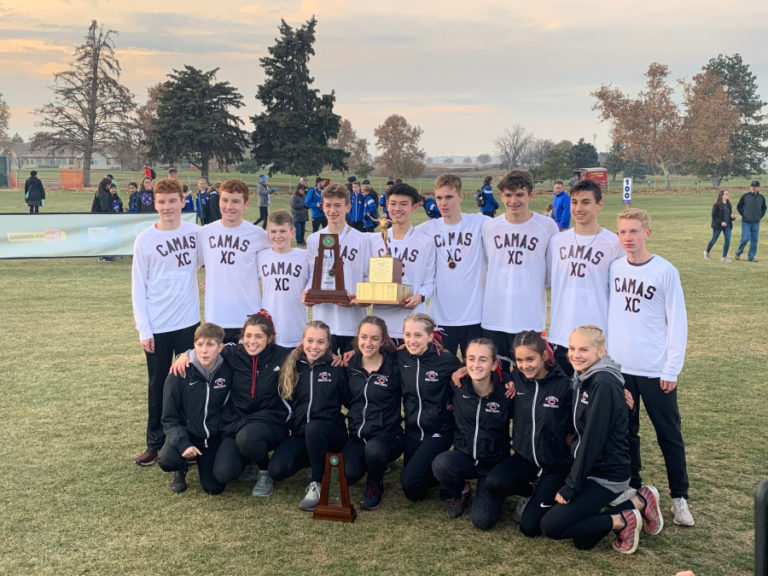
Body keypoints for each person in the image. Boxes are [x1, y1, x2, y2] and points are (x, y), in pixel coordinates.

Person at [539, 325, 663, 554]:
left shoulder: (603, 382)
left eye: (584, 349)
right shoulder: (583, 375)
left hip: (606, 474)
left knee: (552, 526)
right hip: (588, 467)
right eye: (572, 348)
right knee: (583, 541)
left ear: (601, 352)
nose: (576, 354)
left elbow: (593, 441)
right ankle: (638, 503)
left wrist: (570, 488)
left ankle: (624, 519)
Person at [608, 208, 694, 526]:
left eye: (634, 231)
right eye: (622, 232)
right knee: (627, 432)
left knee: (668, 434)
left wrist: (672, 367)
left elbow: (678, 322)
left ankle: (679, 498)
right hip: (621, 369)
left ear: (648, 232)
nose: (628, 238)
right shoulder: (615, 268)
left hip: (656, 369)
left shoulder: (664, 271)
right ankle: (632, 487)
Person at [172, 312, 291, 497]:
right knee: (224, 473)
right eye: (248, 335)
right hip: (236, 422)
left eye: (259, 336)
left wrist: (335, 357)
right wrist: (185, 355)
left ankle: (264, 471)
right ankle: (247, 460)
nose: (252, 341)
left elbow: (307, 353)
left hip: (269, 421)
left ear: (270, 338)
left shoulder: (283, 356)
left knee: (248, 438)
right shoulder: (232, 352)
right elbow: (209, 348)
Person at [131, 178, 201, 466]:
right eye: (161, 202)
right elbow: (138, 286)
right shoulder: (145, 239)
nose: (167, 207)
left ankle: (189, 441)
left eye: (172, 201)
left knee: (190, 384)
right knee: (158, 385)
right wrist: (143, 328)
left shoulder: (197, 233)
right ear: (154, 203)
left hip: (189, 322)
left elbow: (220, 261)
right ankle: (155, 442)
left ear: (183, 202)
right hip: (158, 326)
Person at [479, 331, 572, 534]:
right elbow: (484, 374)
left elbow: (585, 411)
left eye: (530, 359)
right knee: (494, 482)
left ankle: (553, 493)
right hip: (525, 458)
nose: (524, 365)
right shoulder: (516, 380)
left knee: (529, 528)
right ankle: (532, 491)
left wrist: (619, 391)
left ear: (544, 357)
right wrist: (459, 372)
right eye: (519, 360)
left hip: (555, 465)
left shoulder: (565, 385)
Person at [481, 170, 559, 372]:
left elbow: (550, 274)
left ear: (531, 195)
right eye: (508, 195)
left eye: (519, 195)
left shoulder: (547, 226)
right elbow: (488, 266)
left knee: (529, 377)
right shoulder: (490, 227)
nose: (513, 200)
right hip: (495, 316)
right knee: (498, 380)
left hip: (529, 316)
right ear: (501, 196)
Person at [269, 320, 349, 511]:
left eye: (321, 342)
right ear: (303, 340)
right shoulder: (293, 366)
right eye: (310, 340)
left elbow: (352, 402)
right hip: (301, 433)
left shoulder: (336, 367)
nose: (314, 346)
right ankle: (319, 460)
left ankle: (317, 483)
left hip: (330, 433)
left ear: (328, 344)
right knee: (277, 470)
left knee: (314, 427)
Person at [548, 179, 623, 376]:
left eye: (586, 202)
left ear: (600, 204)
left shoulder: (613, 243)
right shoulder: (557, 241)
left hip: (596, 337)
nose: (578, 208)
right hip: (562, 335)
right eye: (574, 202)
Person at [432, 338, 513, 520]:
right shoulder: (457, 385)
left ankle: (492, 489)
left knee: (482, 520)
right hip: (464, 456)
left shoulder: (507, 391)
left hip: (494, 462)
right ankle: (461, 491)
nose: (476, 365)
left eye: (483, 360)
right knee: (441, 464)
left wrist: (508, 379)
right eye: (471, 358)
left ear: (494, 365)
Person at [416, 174, 487, 357]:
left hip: (474, 316)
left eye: (449, 197)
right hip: (440, 317)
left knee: (475, 371)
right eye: (439, 198)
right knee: (441, 372)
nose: (443, 203)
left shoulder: (479, 223)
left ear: (460, 197)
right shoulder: (427, 229)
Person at [158, 322, 232, 495]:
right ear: (193, 346)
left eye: (210, 344)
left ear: (220, 347)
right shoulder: (179, 372)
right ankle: (180, 468)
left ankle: (204, 460)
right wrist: (184, 444)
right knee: (168, 460)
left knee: (214, 487)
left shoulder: (228, 370)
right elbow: (169, 418)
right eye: (199, 344)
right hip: (185, 433)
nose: (204, 350)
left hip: (210, 437)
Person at [197, 178, 270, 344]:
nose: (229, 206)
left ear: (246, 205)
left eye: (236, 201)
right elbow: (203, 262)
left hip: (248, 316)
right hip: (216, 316)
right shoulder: (205, 233)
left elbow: (271, 263)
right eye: (225, 200)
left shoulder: (258, 234)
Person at [399, 313, 461, 502]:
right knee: (414, 491)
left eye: (418, 335)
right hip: (412, 430)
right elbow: (374, 353)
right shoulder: (400, 356)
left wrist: (507, 381)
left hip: (439, 430)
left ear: (430, 337)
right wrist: (352, 352)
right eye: (407, 335)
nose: (412, 340)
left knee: (411, 484)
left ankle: (450, 475)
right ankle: (434, 471)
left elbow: (470, 379)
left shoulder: (447, 361)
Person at [343, 316, 404, 510]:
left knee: (375, 450)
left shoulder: (395, 365)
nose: (368, 343)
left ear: (383, 340)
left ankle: (375, 482)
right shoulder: (350, 364)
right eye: (364, 337)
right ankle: (372, 463)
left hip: (388, 435)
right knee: (347, 474)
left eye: (374, 338)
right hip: (358, 435)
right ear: (357, 338)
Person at [303, 183, 370, 355]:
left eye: (337, 205)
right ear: (322, 206)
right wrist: (307, 293)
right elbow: (312, 275)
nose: (332, 210)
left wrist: (358, 299)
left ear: (348, 207)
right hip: (324, 321)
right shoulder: (313, 239)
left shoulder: (362, 240)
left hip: (353, 321)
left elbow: (367, 278)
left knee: (351, 375)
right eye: (328, 205)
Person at [368, 183, 436, 342]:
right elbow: (367, 277)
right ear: (386, 205)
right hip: (381, 324)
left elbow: (430, 281)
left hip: (413, 325)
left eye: (404, 204)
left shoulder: (425, 242)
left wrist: (420, 296)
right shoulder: (374, 240)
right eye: (393, 203)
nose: (397, 208)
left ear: (414, 207)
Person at [259, 210, 310, 347]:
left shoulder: (305, 257)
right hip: (269, 330)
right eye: (273, 231)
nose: (278, 236)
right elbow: (242, 279)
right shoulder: (261, 256)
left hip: (297, 329)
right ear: (268, 233)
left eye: (282, 231)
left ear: (292, 233)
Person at [734, 180, 766, 262]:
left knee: (754, 240)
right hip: (746, 222)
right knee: (745, 239)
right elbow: (739, 207)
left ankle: (751, 257)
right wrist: (744, 214)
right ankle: (738, 252)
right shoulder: (745, 196)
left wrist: (759, 216)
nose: (753, 188)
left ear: (758, 188)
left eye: (755, 186)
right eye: (752, 186)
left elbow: (764, 208)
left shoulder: (761, 198)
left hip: (756, 222)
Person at [704, 190, 736, 262]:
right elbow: (714, 216)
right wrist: (721, 222)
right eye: (726, 194)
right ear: (721, 196)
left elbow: (729, 216)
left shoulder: (728, 205)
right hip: (718, 225)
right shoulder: (716, 205)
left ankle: (724, 257)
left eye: (728, 193)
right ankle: (707, 252)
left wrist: (733, 217)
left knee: (727, 240)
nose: (727, 195)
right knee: (714, 239)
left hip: (727, 225)